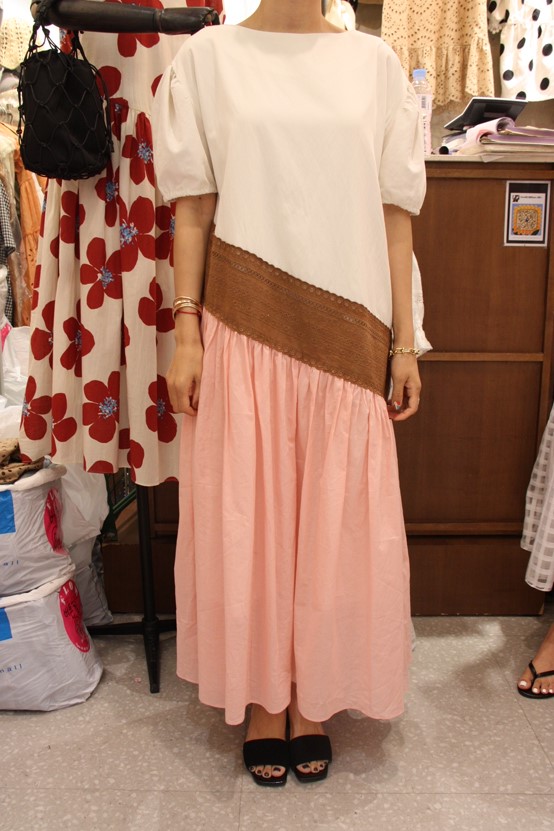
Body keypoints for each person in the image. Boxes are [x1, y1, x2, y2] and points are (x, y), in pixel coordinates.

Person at [152, 0, 426, 785]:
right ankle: (264, 695)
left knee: (333, 525)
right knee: (254, 518)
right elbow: (193, 211)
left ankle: (313, 692)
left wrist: (406, 342)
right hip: (244, 330)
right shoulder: (208, 58)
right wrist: (187, 332)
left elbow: (395, 218)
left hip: (348, 333)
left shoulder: (375, 66)